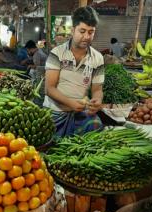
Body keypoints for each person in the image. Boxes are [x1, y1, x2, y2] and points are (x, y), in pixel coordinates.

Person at [43, 6, 104, 136]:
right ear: (72, 30)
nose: (86, 36)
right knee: (49, 141)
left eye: (91, 32)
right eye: (82, 31)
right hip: (55, 112)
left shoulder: (97, 58)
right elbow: (50, 88)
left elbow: (97, 89)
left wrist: (97, 100)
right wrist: (70, 103)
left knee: (96, 127)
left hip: (80, 113)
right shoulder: (57, 53)